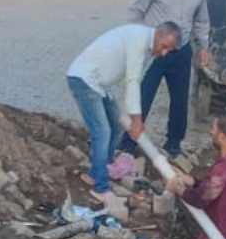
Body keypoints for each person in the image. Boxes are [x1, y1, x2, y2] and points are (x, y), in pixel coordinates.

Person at [67, 21, 181, 211]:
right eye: (164, 47)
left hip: (100, 85)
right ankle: (100, 187)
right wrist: (136, 120)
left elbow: (131, 79)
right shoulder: (139, 40)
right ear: (159, 35)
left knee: (116, 126)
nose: (163, 53)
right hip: (84, 79)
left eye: (169, 50)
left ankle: (100, 169)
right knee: (102, 131)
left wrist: (135, 119)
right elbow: (133, 82)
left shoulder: (147, 45)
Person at [129, 0, 217, 157]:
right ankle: (128, 142)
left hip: (182, 50)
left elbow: (202, 21)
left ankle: (174, 144)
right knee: (144, 94)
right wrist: (137, 39)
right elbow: (135, 11)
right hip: (156, 49)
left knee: (180, 99)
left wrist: (203, 47)